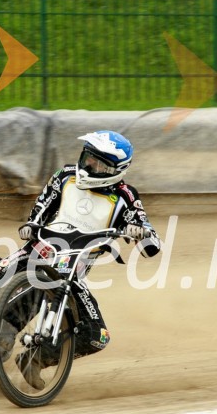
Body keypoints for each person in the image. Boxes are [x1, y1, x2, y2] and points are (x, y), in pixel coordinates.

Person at [15, 130, 162, 388]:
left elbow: (152, 248)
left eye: (98, 163)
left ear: (115, 170)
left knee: (97, 336)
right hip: (37, 254)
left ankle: (34, 359)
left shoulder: (126, 196)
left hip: (71, 277)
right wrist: (30, 225)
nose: (89, 166)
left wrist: (141, 232)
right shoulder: (64, 176)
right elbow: (39, 210)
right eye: (88, 158)